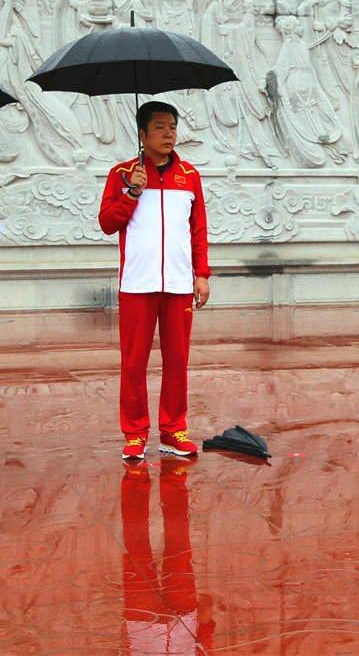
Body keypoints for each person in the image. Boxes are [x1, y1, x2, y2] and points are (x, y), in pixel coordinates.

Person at [99, 101, 211, 460]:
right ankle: (135, 434)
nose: (169, 134)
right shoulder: (122, 174)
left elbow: (199, 231)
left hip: (179, 284)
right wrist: (132, 193)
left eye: (173, 127)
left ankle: (173, 430)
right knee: (134, 362)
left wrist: (202, 274)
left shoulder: (189, 175)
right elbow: (106, 223)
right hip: (137, 283)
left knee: (177, 360)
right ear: (142, 134)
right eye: (160, 127)